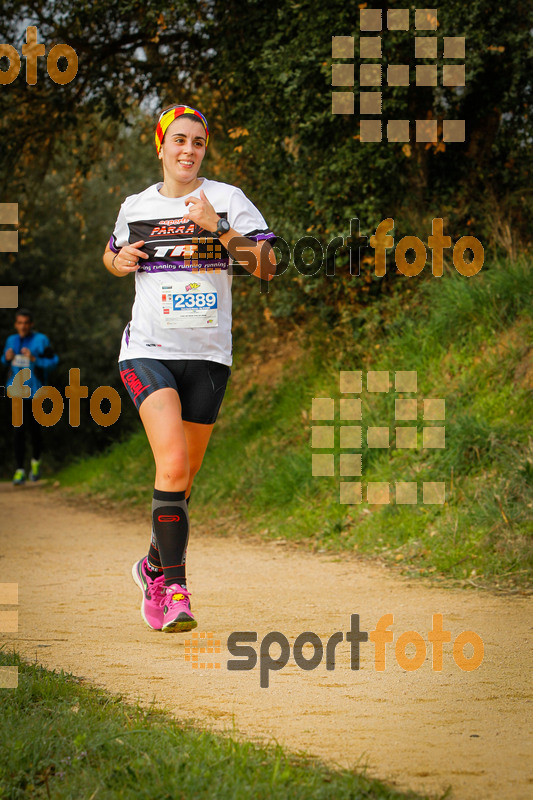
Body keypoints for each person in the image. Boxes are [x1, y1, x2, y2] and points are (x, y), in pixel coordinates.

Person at [103, 104, 277, 633]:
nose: (188, 151)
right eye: (178, 140)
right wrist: (120, 261)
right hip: (148, 350)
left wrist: (218, 228)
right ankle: (173, 589)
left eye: (197, 143)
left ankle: (152, 565)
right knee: (173, 464)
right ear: (160, 146)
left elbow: (267, 265)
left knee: (182, 478)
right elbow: (112, 253)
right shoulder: (136, 206)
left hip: (208, 357)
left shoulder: (227, 200)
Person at [1, 308, 59, 485]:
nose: (23, 326)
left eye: (26, 323)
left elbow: (53, 361)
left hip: (36, 392)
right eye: (19, 323)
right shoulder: (11, 340)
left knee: (34, 431)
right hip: (16, 391)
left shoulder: (41, 340)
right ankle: (19, 471)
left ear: (31, 324)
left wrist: (35, 359)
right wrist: (6, 357)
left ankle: (36, 461)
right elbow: (4, 361)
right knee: (18, 431)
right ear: (15, 324)